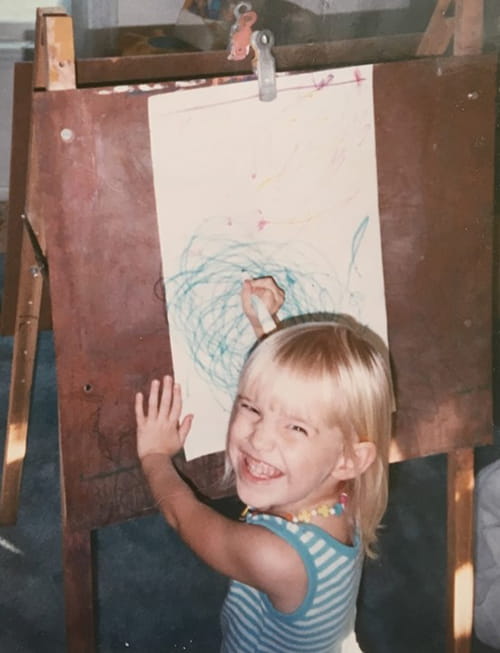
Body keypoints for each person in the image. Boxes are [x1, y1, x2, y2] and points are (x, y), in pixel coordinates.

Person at [135, 277, 393, 652]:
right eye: (252, 408)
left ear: (348, 460)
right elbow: (299, 398)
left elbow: (184, 517)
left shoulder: (274, 557)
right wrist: (266, 327)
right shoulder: (342, 487)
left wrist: (154, 457)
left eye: (296, 428)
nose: (259, 438)